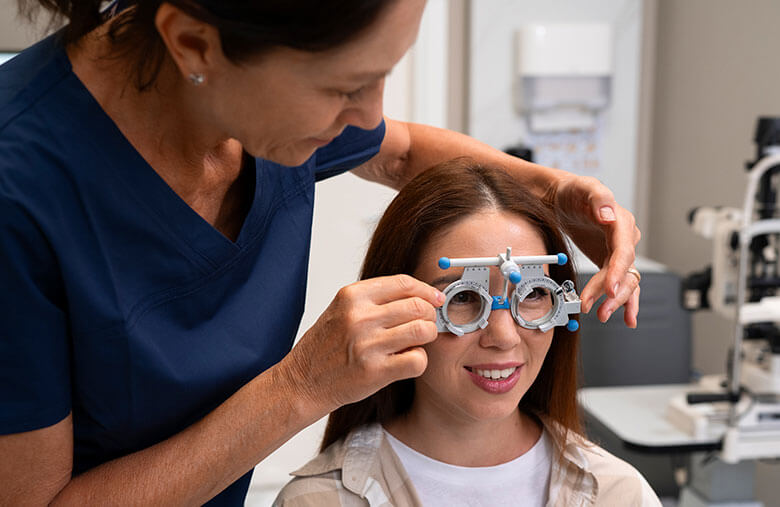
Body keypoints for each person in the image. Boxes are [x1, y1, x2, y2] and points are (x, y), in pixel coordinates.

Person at [0, 1, 641, 504]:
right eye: (344, 87)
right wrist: (301, 385)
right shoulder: (21, 194)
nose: (368, 116)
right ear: (194, 45)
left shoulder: (240, 98)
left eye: (382, 74)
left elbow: (399, 152)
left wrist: (550, 192)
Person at [275, 160, 659, 507]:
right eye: (461, 298)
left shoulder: (619, 495)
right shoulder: (318, 501)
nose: (504, 336)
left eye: (533, 294)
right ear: (391, 311)